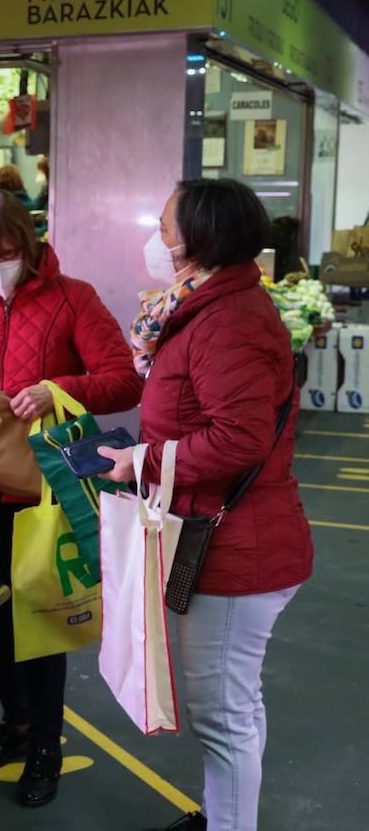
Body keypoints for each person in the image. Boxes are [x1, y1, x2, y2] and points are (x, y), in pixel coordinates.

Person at [0, 191, 142, 807]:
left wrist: (54, 389)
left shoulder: (75, 299)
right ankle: (14, 724)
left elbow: (123, 379)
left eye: (8, 253)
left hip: (47, 488)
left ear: (30, 248)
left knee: (42, 617)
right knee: (1, 618)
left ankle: (47, 743)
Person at [98, 179, 313, 831]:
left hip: (238, 550)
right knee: (232, 707)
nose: (155, 239)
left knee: (225, 714)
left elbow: (240, 437)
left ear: (198, 238)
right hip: (225, 536)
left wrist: (146, 460)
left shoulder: (228, 320)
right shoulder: (203, 308)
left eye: (163, 226)